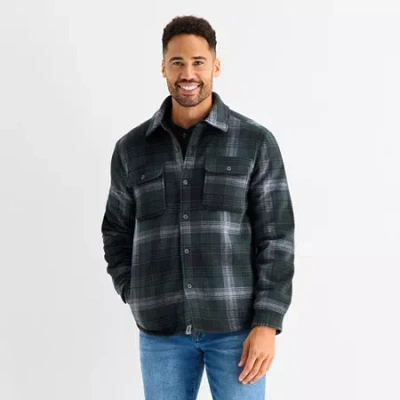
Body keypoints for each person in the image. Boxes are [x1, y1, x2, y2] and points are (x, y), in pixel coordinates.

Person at [101, 15, 295, 400]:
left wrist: (267, 323)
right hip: (161, 333)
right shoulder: (131, 149)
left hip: (238, 329)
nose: (188, 73)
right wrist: (133, 290)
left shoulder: (254, 142)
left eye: (198, 62)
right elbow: (116, 231)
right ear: (163, 68)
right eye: (177, 62)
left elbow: (276, 238)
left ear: (215, 66)